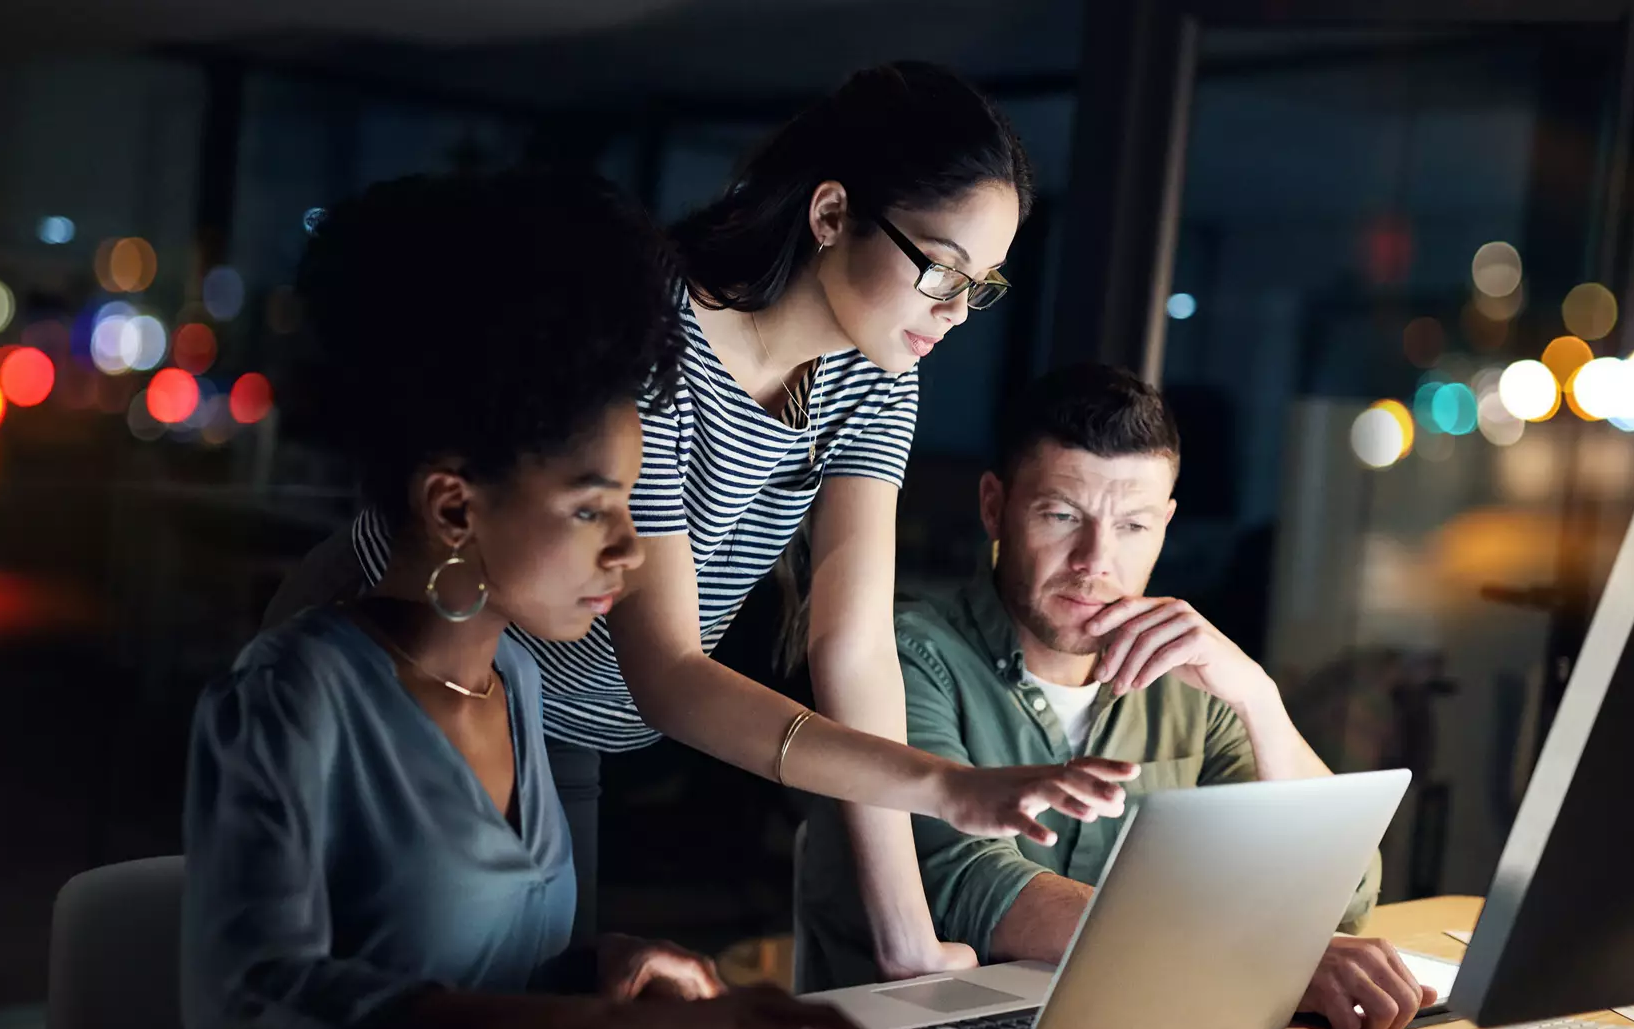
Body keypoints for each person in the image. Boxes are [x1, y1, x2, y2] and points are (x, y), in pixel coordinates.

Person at [264, 61, 1131, 981]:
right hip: (417, 650)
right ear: (832, 214)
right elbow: (669, 673)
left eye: (982, 285)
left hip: (564, 716)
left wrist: (904, 935)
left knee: (532, 1012)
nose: (956, 313)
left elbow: (856, 650)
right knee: (360, 989)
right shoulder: (651, 334)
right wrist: (944, 785)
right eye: (941, 270)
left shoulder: (878, 378)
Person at [181, 171, 904, 1029]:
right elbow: (256, 1018)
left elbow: (479, 970)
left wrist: (613, 977)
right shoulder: (292, 699)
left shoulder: (513, 682)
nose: (631, 548)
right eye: (590, 508)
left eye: (632, 502)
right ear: (453, 506)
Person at [797, 364, 1435, 1029]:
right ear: (995, 506)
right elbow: (963, 884)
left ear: (1165, 525)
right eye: (1061, 515)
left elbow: (1345, 894)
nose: (1095, 560)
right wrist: (1247, 955)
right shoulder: (905, 659)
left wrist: (1258, 696)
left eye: (1132, 526)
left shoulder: (1192, 680)